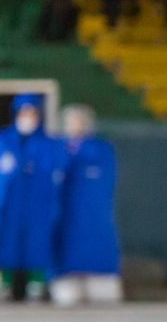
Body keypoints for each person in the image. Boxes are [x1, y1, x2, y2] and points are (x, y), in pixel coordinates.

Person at [0, 94, 65, 303]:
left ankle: (36, 287)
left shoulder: (47, 142)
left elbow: (52, 173)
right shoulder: (5, 139)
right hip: (10, 204)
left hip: (37, 205)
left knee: (36, 245)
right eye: (23, 113)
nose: (27, 118)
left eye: (31, 113)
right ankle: (1, 286)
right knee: (4, 243)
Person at [51, 104, 121, 306]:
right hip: (65, 219)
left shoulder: (101, 149)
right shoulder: (58, 149)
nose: (76, 126)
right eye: (72, 121)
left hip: (96, 217)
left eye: (80, 121)